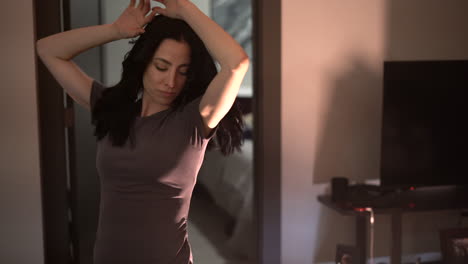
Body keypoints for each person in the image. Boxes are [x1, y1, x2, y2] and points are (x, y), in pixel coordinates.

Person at [36, 0, 249, 263]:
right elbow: (47, 49)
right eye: (161, 67)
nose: (171, 82)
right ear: (143, 63)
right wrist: (115, 30)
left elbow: (236, 63)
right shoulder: (111, 108)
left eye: (183, 72)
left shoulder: (195, 119)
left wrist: (184, 8)